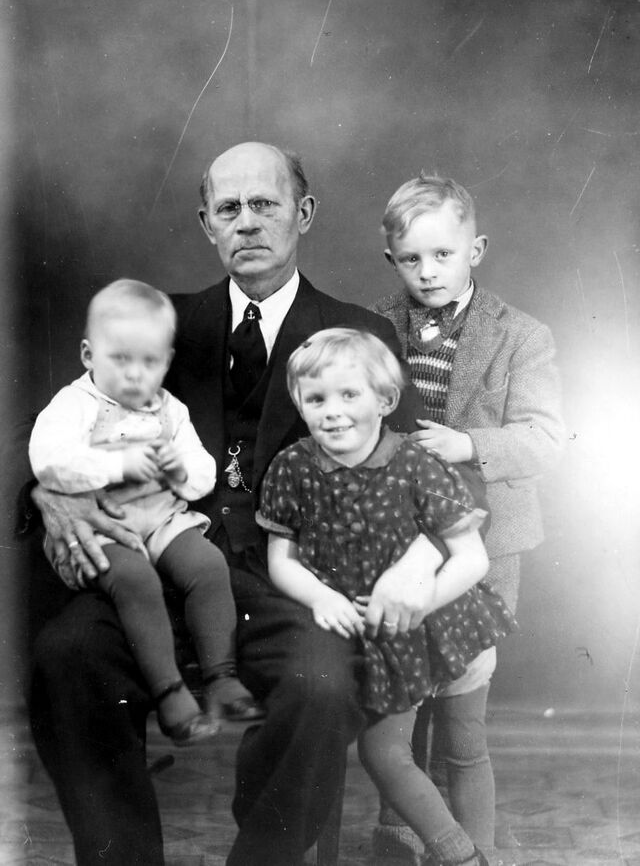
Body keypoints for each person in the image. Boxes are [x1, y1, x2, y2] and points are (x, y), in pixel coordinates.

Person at [24, 142, 451, 866]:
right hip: (161, 564)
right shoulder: (160, 325)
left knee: (322, 686)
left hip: (293, 580)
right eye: (229, 209)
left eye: (264, 204)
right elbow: (52, 420)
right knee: (66, 658)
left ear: (303, 213)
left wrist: (421, 558)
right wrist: (44, 492)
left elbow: (419, 466)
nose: (247, 222)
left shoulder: (356, 333)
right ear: (207, 225)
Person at [258, 327, 518, 866]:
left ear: (386, 401)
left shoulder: (417, 464)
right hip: (389, 645)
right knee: (384, 752)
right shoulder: (293, 468)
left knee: (465, 750)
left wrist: (423, 600)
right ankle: (462, 856)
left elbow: (472, 557)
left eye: (349, 394)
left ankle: (480, 855)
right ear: (299, 405)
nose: (333, 412)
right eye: (316, 399)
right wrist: (321, 597)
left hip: (451, 625)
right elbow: (281, 560)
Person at [370, 174, 565, 862]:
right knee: (403, 689)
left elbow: (546, 437)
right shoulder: (374, 325)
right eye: (411, 258)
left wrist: (470, 444)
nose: (427, 271)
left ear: (475, 251)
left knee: (462, 699)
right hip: (400, 537)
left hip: (485, 541)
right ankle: (401, 835)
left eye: (443, 255)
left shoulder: (522, 335)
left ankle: (469, 843)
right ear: (391, 258)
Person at [28, 278, 262, 746]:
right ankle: (170, 693)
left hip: (160, 518)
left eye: (149, 362)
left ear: (166, 362)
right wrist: (117, 465)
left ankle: (221, 677)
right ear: (89, 355)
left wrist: (180, 470)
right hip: (104, 526)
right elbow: (48, 461)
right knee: (136, 580)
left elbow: (204, 473)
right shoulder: (75, 404)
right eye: (120, 359)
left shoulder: (170, 410)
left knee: (207, 565)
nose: (136, 375)